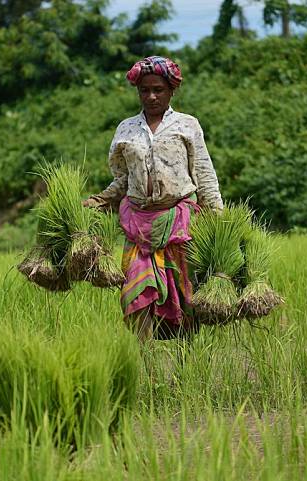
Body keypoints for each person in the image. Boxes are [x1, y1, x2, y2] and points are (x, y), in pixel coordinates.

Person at [83, 55, 224, 341]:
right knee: (136, 295)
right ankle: (143, 366)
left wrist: (219, 218)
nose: (151, 96)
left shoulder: (187, 125)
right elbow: (123, 180)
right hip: (138, 225)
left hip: (180, 224)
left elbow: (204, 174)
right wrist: (98, 201)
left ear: (172, 90)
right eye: (144, 90)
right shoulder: (126, 129)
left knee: (185, 296)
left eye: (158, 89)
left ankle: (189, 363)